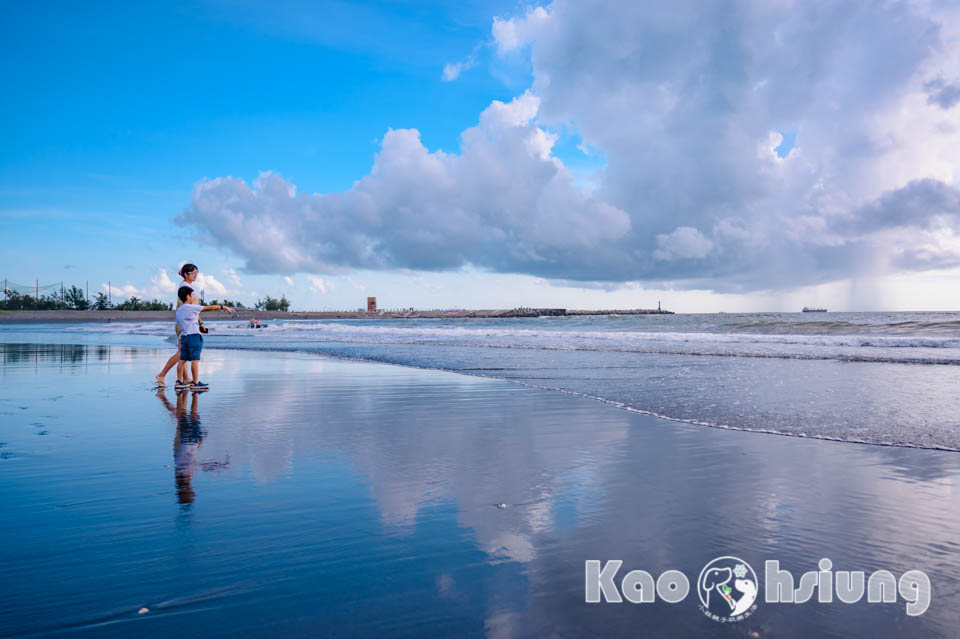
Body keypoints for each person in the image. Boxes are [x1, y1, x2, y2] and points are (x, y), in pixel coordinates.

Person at [175, 286, 232, 389]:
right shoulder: (191, 307)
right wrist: (224, 307)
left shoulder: (179, 310)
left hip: (184, 336)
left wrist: (200, 324)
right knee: (195, 360)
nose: (193, 297)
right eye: (192, 295)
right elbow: (210, 308)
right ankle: (196, 382)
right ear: (188, 296)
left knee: (182, 359)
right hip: (194, 336)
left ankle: (179, 382)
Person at [154, 263, 199, 388]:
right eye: (193, 273)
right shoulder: (184, 288)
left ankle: (185, 378)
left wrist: (200, 322)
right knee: (181, 352)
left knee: (183, 352)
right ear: (185, 274)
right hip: (185, 324)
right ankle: (161, 374)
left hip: (186, 323)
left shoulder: (187, 287)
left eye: (197, 273)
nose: (195, 275)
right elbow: (187, 308)